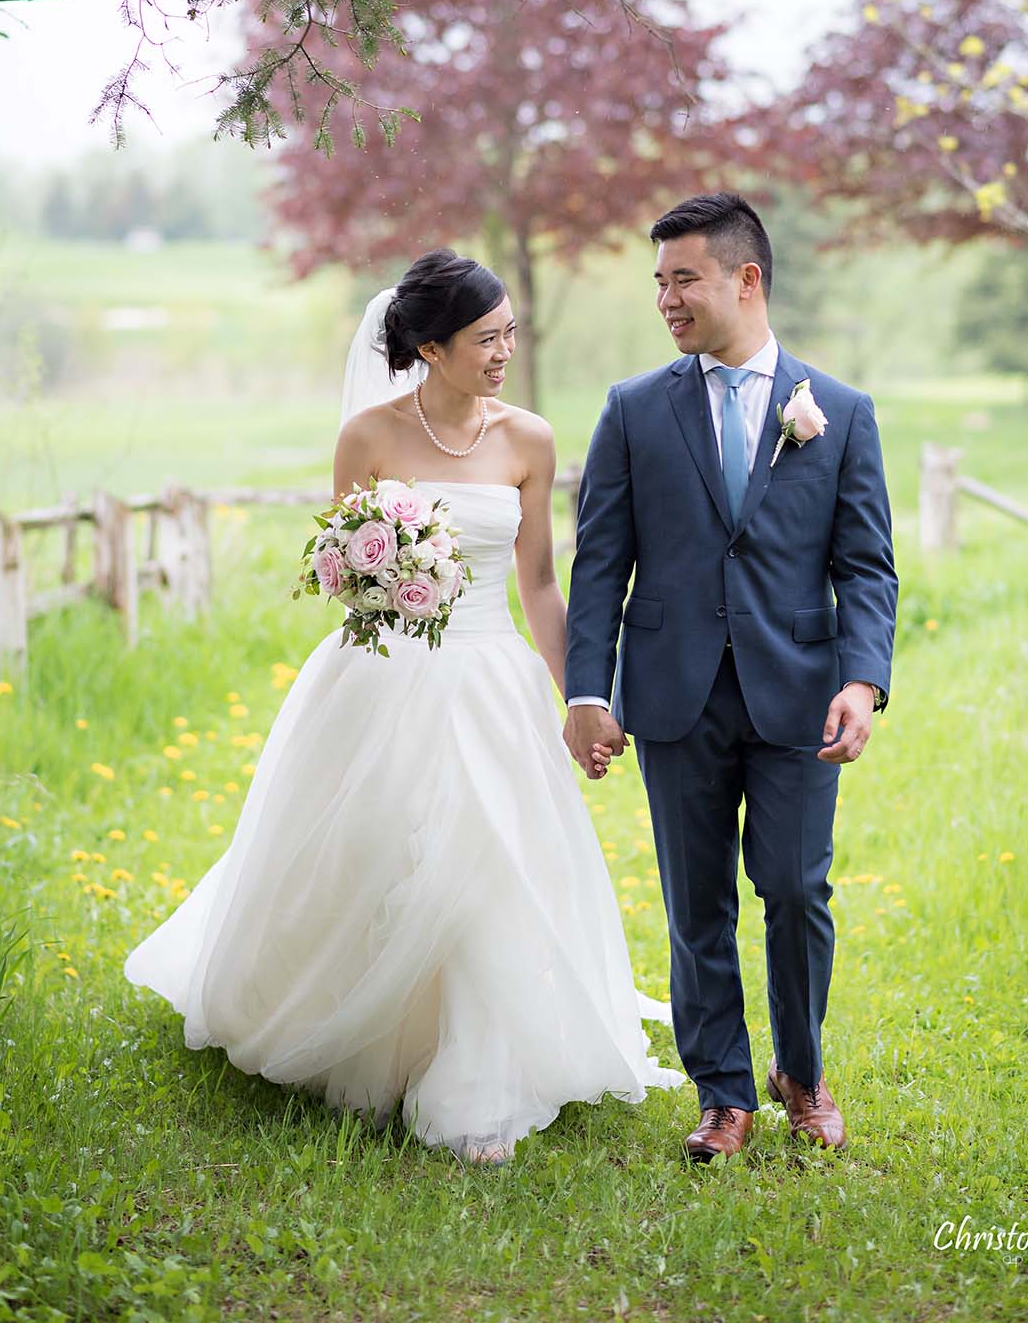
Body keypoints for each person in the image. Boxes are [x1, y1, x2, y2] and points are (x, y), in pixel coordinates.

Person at [123, 248, 683, 1164]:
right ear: (428, 347)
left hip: (491, 677)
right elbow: (346, 574)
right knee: (385, 850)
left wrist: (581, 694)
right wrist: (392, 575)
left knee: (492, 861)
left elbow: (542, 584)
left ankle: (478, 1070)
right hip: (384, 674)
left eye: (509, 332)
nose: (505, 350)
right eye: (485, 337)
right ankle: (364, 1032)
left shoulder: (530, 439)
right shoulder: (369, 437)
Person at [563, 193, 898, 1162]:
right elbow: (598, 563)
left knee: (794, 887)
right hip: (671, 693)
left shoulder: (837, 412)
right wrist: (590, 690)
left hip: (798, 690)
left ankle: (800, 1071)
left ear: (745, 280)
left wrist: (861, 680)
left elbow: (864, 565)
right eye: (658, 281)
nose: (666, 298)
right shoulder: (632, 409)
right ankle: (722, 1092)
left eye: (684, 278)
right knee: (694, 901)